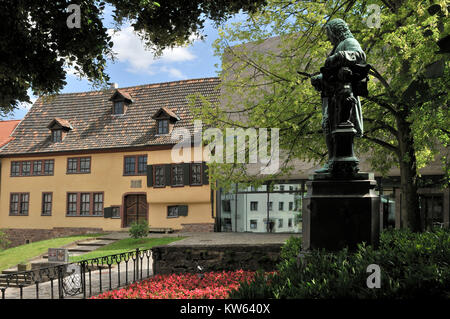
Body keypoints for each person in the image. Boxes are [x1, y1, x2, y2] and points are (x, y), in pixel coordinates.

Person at [310, 19, 367, 174]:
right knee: (328, 125)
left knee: (337, 126)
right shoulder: (337, 46)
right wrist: (320, 78)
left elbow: (360, 56)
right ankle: (332, 160)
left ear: (336, 31)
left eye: (329, 34)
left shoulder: (349, 41)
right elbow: (334, 73)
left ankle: (338, 161)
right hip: (332, 96)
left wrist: (338, 56)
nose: (328, 38)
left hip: (342, 96)